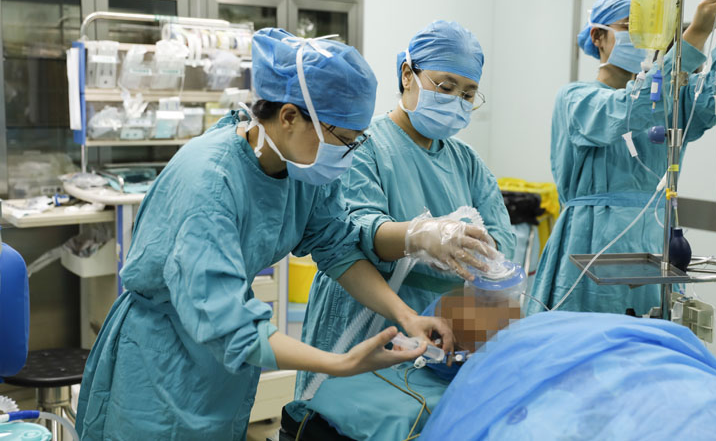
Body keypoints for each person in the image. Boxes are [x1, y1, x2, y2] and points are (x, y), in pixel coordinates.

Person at [75, 28, 456, 440]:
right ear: (289, 116)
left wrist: (408, 317)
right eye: (342, 140)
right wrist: (340, 363)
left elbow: (338, 248)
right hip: (160, 362)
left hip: (220, 371)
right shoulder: (210, 181)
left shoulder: (301, 170)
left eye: (355, 141)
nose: (346, 155)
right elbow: (226, 322)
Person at [296, 20, 516, 399]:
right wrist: (421, 236)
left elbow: (501, 240)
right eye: (445, 87)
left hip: (444, 327)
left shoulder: (467, 162)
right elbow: (354, 234)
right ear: (407, 74)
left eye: (468, 94)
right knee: (345, 413)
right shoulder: (363, 145)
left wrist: (473, 250)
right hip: (365, 317)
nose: (456, 100)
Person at [529, 0, 716, 316]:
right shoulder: (576, 99)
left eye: (648, 30)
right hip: (589, 243)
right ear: (598, 36)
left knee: (648, 337)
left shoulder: (671, 102)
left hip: (653, 242)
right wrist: (695, 34)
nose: (642, 39)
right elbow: (629, 108)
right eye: (629, 27)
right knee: (587, 338)